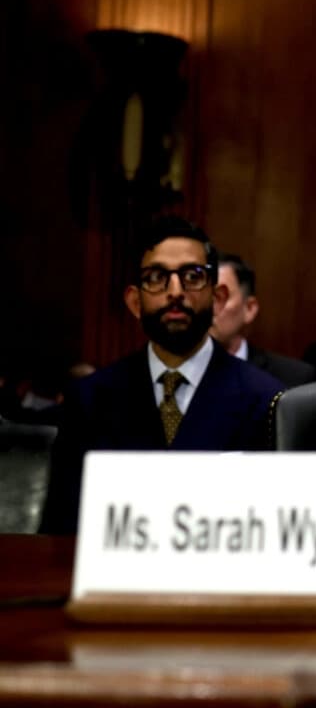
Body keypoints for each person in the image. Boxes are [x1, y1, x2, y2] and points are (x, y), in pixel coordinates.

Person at [39, 217, 284, 534]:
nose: (175, 291)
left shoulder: (266, 399)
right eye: (157, 277)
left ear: (218, 298)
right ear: (135, 301)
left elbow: (273, 531)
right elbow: (62, 528)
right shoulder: (89, 400)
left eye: (192, 276)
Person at [210, 253, 315, 387]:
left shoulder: (292, 378)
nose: (208, 307)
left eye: (219, 297)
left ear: (249, 309)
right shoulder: (176, 375)